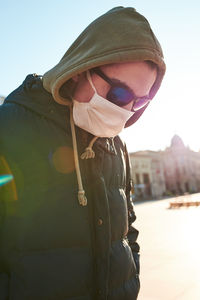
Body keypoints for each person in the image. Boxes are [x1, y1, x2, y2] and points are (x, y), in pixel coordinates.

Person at [0, 6, 165, 300]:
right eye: (119, 94)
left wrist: (131, 280)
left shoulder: (116, 144)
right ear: (80, 70)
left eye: (138, 102)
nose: (124, 112)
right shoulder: (9, 130)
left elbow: (128, 230)